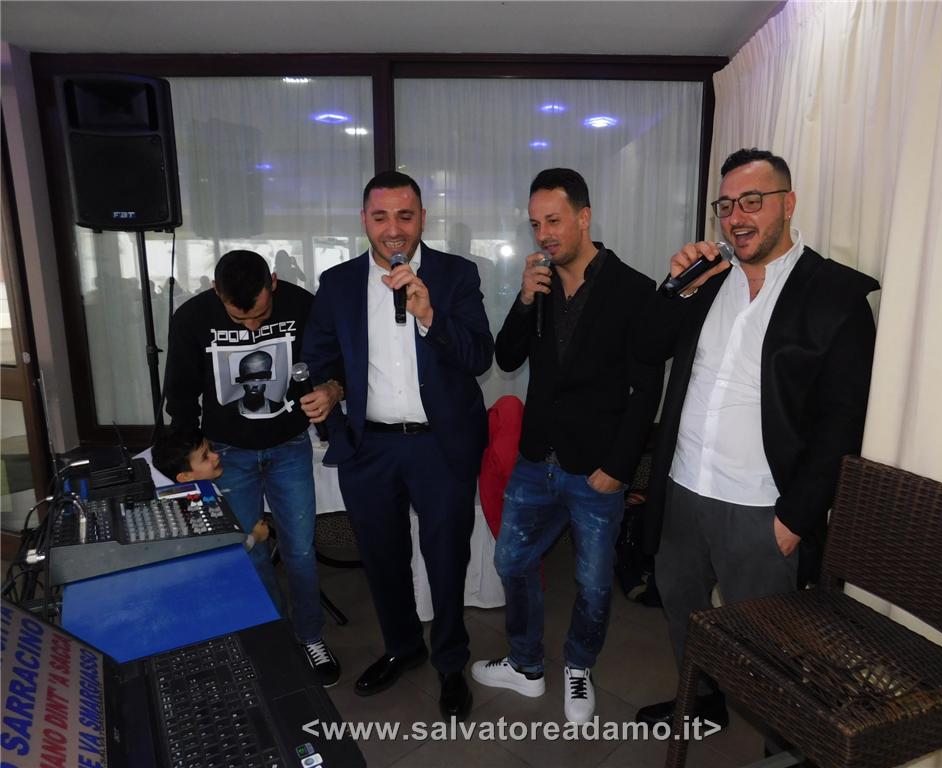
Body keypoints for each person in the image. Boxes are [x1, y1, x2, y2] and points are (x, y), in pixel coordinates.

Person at [632, 148, 879, 729]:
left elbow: (843, 421)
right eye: (725, 206)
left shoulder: (835, 295)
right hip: (683, 490)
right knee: (685, 615)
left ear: (787, 204)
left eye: (751, 201)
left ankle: (781, 745)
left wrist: (795, 517)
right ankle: (701, 704)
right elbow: (644, 349)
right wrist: (676, 288)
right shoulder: (706, 281)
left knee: (773, 651)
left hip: (762, 508)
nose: (736, 218)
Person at [471, 168, 664, 724]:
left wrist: (619, 466)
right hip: (537, 459)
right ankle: (525, 664)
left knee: (594, 583)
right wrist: (523, 300)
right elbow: (506, 358)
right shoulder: (540, 283)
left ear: (584, 216)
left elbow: (646, 389)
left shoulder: (633, 289)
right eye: (535, 224)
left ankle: (579, 665)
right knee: (511, 560)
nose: (544, 235)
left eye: (553, 221)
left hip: (597, 467)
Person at [302, 171, 493, 719]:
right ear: (364, 219)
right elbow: (321, 357)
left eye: (405, 216)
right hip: (371, 448)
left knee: (446, 557)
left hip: (440, 447)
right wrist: (330, 390)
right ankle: (403, 647)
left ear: (422, 219)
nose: (393, 230)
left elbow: (480, 356)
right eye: (381, 216)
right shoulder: (338, 283)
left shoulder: (456, 275)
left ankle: (450, 662)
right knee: (382, 558)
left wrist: (430, 315)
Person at [164, 249, 345, 687]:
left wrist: (332, 389)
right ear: (216, 291)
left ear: (274, 283)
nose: (251, 328)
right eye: (239, 318)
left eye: (261, 315)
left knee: (300, 550)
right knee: (249, 551)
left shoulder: (302, 304)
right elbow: (181, 394)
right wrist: (189, 457)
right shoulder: (191, 318)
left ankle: (309, 636)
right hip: (227, 453)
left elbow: (337, 360)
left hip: (289, 444)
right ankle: (271, 637)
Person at [150, 426, 270, 552]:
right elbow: (226, 550)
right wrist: (256, 536)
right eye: (205, 457)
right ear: (185, 476)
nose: (216, 455)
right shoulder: (200, 506)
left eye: (211, 449)